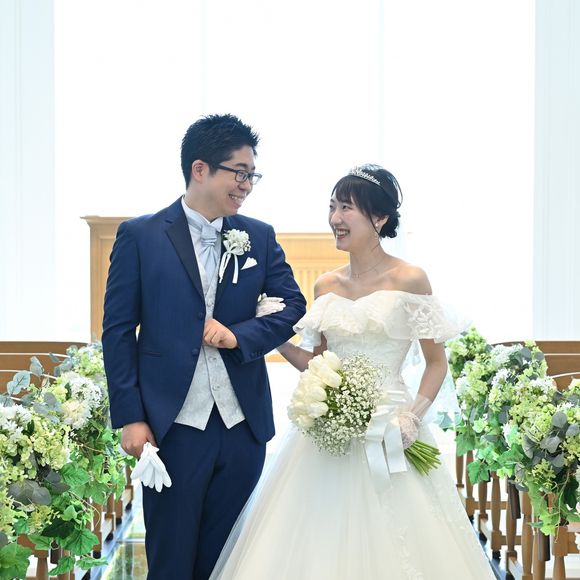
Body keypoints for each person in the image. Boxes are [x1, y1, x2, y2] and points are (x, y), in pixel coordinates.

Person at [209, 164, 495, 579]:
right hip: (329, 434)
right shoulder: (326, 286)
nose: (335, 218)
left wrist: (412, 417)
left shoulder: (411, 279)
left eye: (346, 208)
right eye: (332, 207)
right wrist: (278, 339)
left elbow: (436, 363)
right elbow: (319, 365)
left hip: (392, 428)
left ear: (379, 218)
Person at [101, 114, 307, 580]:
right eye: (240, 173)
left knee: (228, 561)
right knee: (171, 560)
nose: (247, 185)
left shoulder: (258, 236)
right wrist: (131, 416)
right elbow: (118, 331)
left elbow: (293, 306)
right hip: (172, 426)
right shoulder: (140, 236)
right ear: (200, 169)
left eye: (252, 175)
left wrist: (238, 336)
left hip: (243, 426)